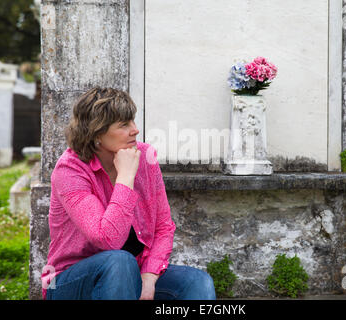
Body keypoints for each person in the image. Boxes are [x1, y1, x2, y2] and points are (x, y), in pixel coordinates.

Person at [41, 87, 216, 300]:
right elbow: (107, 240)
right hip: (68, 282)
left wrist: (149, 278)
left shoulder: (145, 156)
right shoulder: (70, 170)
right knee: (119, 261)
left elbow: (163, 226)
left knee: (197, 282)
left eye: (132, 121)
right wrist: (125, 177)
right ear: (96, 133)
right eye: (124, 125)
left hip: (133, 273)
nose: (135, 130)